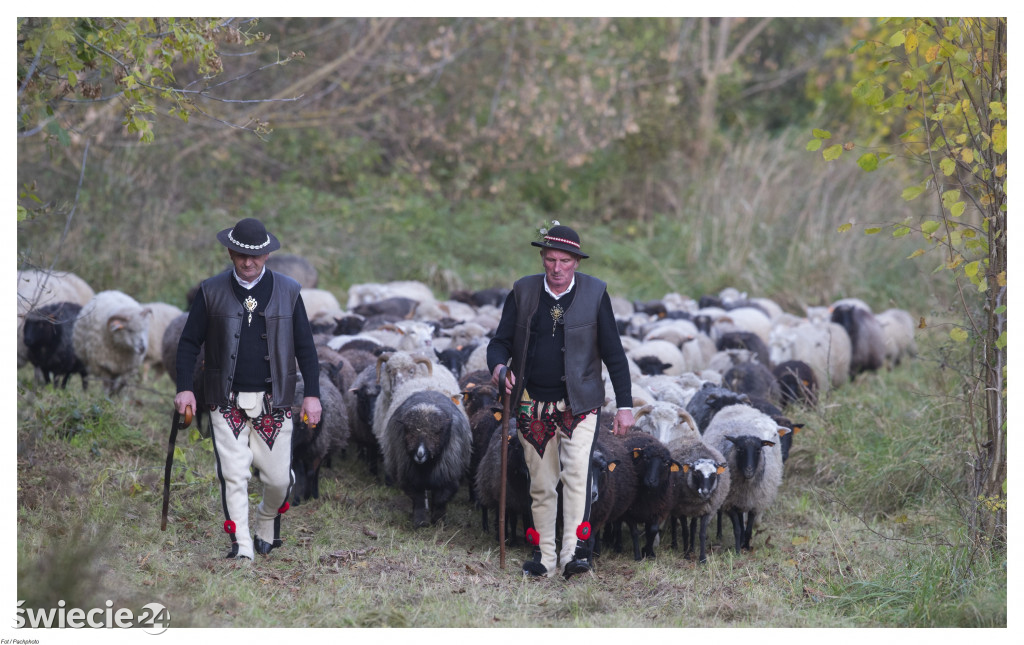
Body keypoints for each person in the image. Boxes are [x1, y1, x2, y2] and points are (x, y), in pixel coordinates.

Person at [487, 223, 634, 579]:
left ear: (576, 263)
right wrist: (498, 366)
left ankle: (573, 554)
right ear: (542, 258)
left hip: (580, 406)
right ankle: (545, 557)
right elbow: (499, 341)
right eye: (550, 259)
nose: (556, 268)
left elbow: (614, 353)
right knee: (541, 482)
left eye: (564, 261)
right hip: (530, 404)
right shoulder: (522, 292)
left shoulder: (596, 294)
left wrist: (625, 404)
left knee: (577, 476)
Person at [174, 217, 322, 561]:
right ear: (230, 252)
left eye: (255, 256)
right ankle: (241, 545)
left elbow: (306, 347)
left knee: (277, 481)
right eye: (241, 254)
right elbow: (187, 343)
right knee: (233, 475)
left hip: (276, 401)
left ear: (267, 254)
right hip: (225, 400)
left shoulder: (289, 291)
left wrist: (312, 393)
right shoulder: (209, 291)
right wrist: (185, 388)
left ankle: (268, 518)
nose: (248, 262)